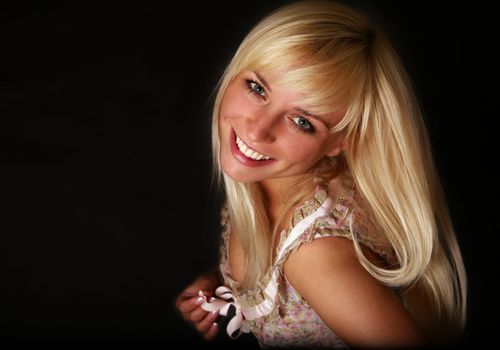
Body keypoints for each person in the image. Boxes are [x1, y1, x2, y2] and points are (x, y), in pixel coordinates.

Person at [175, 0, 467, 348]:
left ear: (339, 143)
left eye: (302, 122)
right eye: (257, 88)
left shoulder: (316, 255)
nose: (257, 131)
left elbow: (325, 276)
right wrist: (224, 286)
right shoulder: (272, 178)